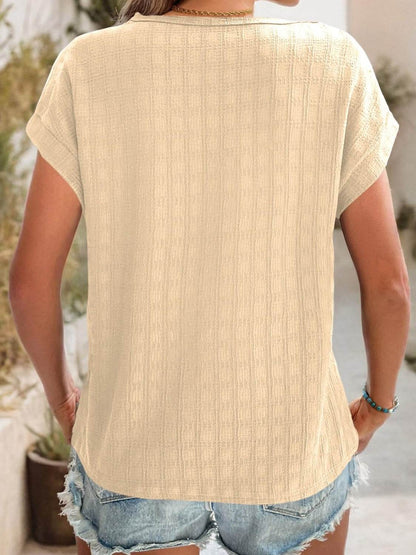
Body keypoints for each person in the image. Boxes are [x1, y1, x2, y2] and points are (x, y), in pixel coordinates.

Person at [8, 0, 410, 554]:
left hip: (135, 453)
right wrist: (377, 406)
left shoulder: (89, 65)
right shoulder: (334, 63)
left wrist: (64, 403)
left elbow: (29, 284)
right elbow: (389, 287)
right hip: (291, 452)